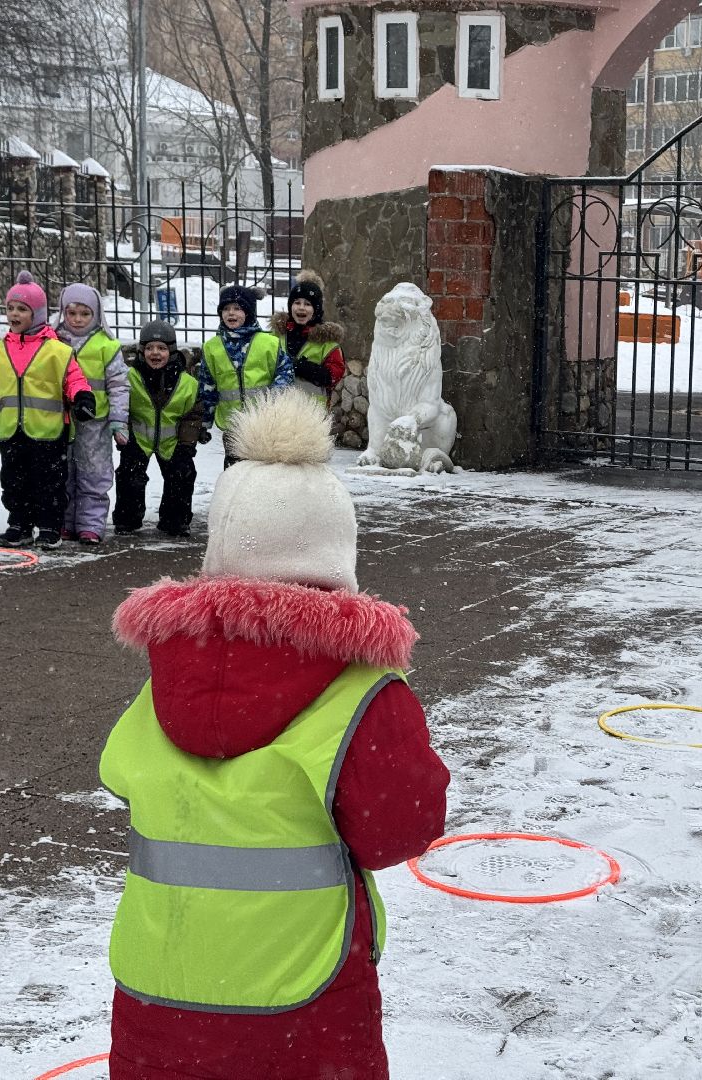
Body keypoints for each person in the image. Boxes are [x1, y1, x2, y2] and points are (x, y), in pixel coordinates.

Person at [101, 390, 449, 1080]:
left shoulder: (165, 681)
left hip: (160, 994)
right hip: (303, 1007)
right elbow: (401, 827)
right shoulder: (362, 694)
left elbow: (131, 783)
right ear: (335, 559)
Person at [0, 271, 94, 549]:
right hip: (11, 432)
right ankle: (19, 524)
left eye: (22, 309)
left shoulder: (57, 351)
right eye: (10, 308)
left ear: (37, 314)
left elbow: (74, 379)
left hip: (48, 432)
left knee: (49, 484)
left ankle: (49, 526)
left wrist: (83, 399)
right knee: (13, 482)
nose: (14, 314)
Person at [113, 320, 205, 538]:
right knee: (129, 475)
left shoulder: (187, 382)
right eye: (149, 348)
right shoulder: (130, 377)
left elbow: (193, 415)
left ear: (171, 352)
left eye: (162, 348)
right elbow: (121, 406)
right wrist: (123, 432)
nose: (155, 353)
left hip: (172, 442)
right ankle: (128, 519)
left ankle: (175, 520)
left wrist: (186, 444)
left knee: (182, 474)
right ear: (141, 351)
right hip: (138, 439)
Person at [55, 282, 129, 545]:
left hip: (95, 424)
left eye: (84, 314)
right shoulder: (53, 341)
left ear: (96, 314)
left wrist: (119, 421)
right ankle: (63, 521)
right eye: (71, 313)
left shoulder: (106, 346)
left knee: (94, 474)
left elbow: (119, 385)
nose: (77, 319)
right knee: (62, 473)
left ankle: (90, 524)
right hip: (60, 421)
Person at [197, 284, 294, 467]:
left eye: (237, 308)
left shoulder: (269, 343)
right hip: (232, 424)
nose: (231, 313)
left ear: (249, 312)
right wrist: (204, 423)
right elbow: (207, 388)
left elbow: (285, 374)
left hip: (264, 424)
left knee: (262, 474)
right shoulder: (212, 347)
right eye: (226, 309)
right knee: (235, 473)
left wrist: (272, 400)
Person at [272, 270, 346, 406]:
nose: (301, 308)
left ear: (316, 309)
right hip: (279, 409)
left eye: (307, 304)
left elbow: (334, 376)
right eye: (297, 302)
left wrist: (304, 368)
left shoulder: (327, 342)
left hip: (311, 413)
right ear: (290, 305)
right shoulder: (277, 335)